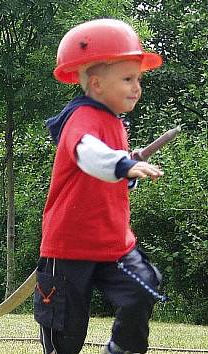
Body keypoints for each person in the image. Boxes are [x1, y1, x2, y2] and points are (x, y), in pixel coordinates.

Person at [36, 19, 166, 354]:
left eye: (138, 78)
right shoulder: (80, 118)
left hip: (113, 245)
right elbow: (89, 155)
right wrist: (123, 164)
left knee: (144, 288)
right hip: (68, 247)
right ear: (96, 84)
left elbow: (106, 180)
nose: (137, 87)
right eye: (127, 79)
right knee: (63, 334)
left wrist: (128, 172)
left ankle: (121, 348)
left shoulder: (113, 122)